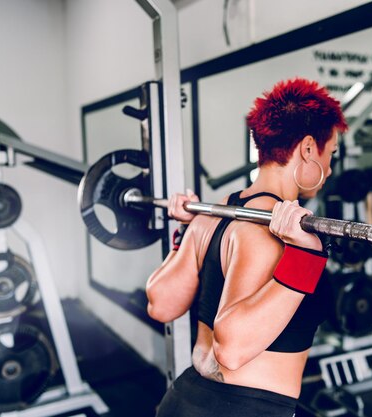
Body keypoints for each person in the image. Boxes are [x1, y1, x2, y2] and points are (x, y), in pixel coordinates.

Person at [146, 77, 347, 417]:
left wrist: (185, 230)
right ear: (309, 149)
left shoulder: (215, 212)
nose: (328, 169)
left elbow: (160, 304)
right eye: (332, 154)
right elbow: (232, 350)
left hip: (184, 401)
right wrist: (307, 257)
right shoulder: (272, 235)